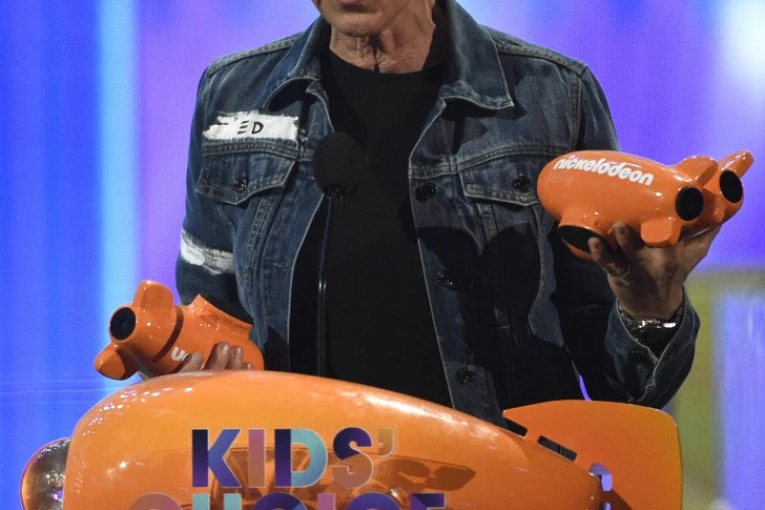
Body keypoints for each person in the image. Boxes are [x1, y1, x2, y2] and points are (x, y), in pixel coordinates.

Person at [175, 0, 717, 425]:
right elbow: (211, 314)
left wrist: (649, 307)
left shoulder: (552, 95)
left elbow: (627, 390)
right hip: (299, 480)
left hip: (500, 482)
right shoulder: (233, 93)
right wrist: (188, 361)